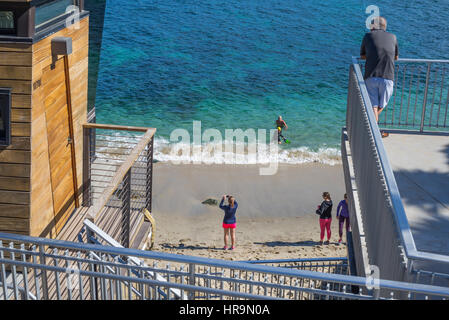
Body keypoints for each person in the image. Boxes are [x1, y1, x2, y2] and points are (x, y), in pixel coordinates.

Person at [360, 16, 399, 138]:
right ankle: (375, 131)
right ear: (384, 27)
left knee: (373, 106)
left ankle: (372, 128)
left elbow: (362, 55)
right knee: (380, 105)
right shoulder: (393, 37)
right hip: (388, 77)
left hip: (371, 76)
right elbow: (396, 57)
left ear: (373, 27)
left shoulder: (367, 36)